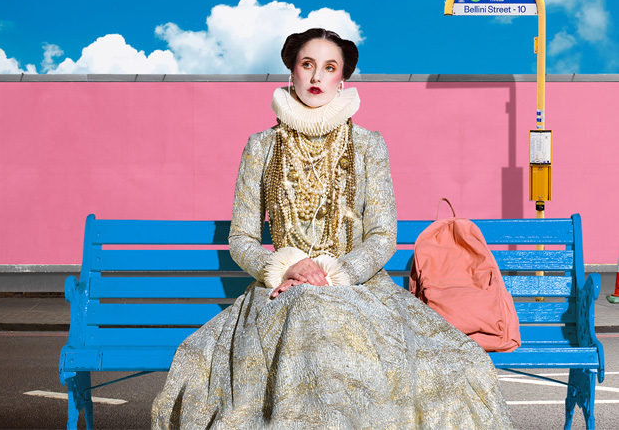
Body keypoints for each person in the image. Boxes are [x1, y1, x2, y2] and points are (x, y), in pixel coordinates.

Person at [152, 28, 514, 429]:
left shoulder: (367, 144)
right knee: (306, 312)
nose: (316, 77)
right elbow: (241, 238)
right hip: (282, 292)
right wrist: (288, 268)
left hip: (358, 288)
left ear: (342, 79)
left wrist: (333, 275)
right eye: (307, 65)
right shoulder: (262, 146)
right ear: (291, 72)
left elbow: (381, 235)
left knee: (458, 369)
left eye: (329, 68)